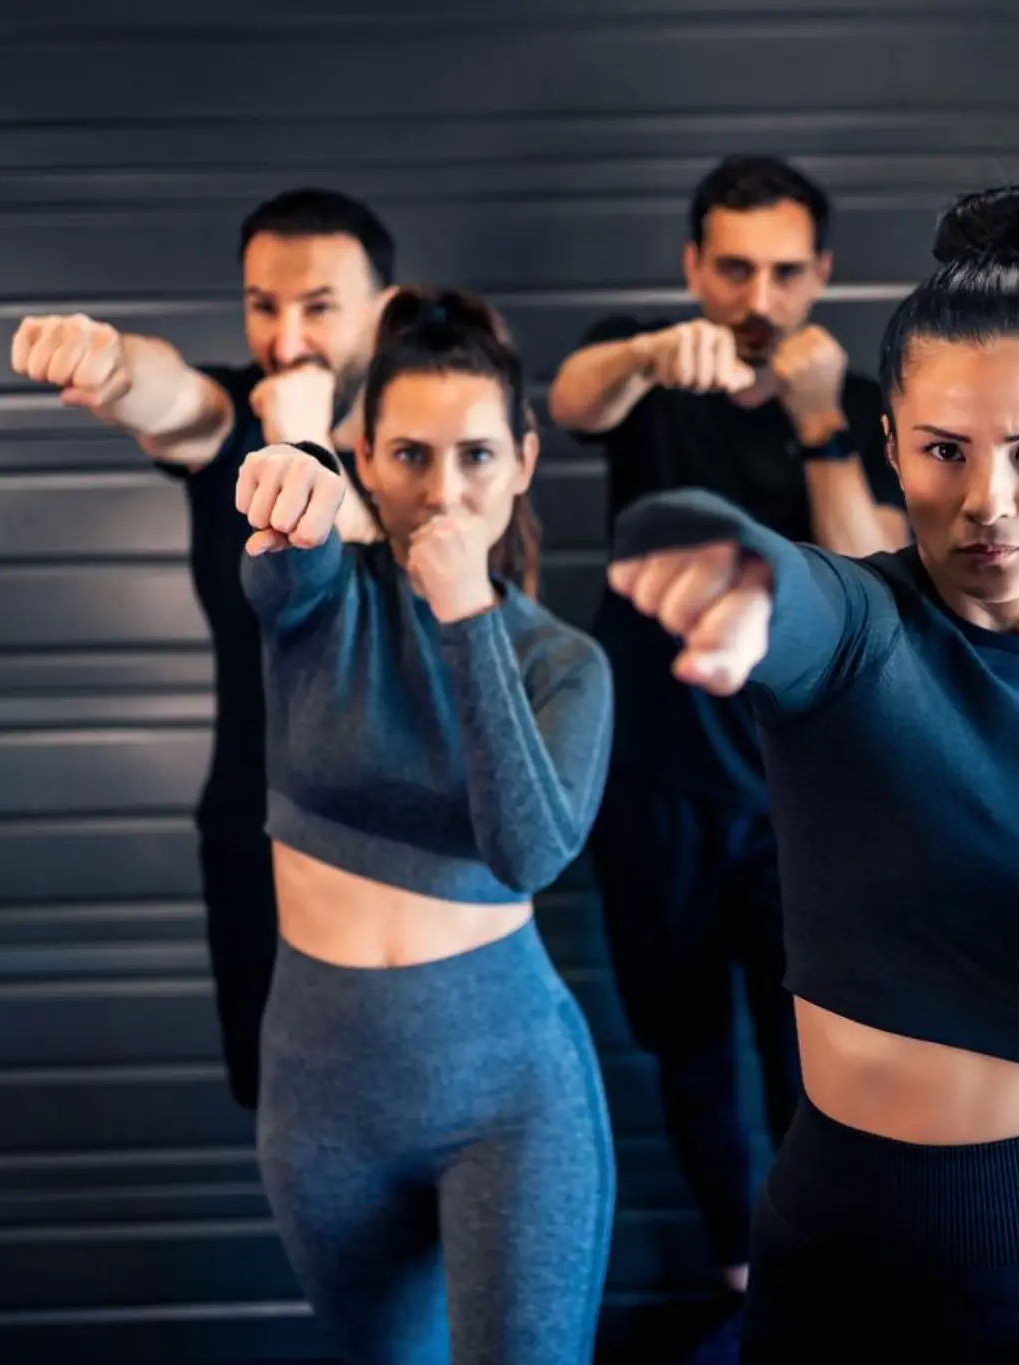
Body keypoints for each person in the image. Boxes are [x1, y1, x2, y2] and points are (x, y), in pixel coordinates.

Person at [602, 187, 1019, 1363]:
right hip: (836, 1251)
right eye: (941, 451)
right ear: (889, 445)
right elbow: (765, 569)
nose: (986, 502)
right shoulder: (858, 630)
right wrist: (719, 561)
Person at [547, 154, 909, 1297]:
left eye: (785, 273)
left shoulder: (855, 405)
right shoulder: (646, 369)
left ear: (823, 275)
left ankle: (822, 1264)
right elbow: (569, 400)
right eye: (735, 269)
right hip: (655, 791)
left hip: (808, 795)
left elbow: (871, 567)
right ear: (693, 267)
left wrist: (816, 425)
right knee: (686, 1050)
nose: (759, 300)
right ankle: (740, 1267)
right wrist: (656, 353)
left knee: (818, 1053)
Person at [232, 287, 615, 1364]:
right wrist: (294, 470)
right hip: (321, 1097)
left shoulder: (561, 666)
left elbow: (529, 851)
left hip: (511, 1098)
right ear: (363, 454)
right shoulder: (325, 608)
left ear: (524, 460)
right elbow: (279, 559)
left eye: (476, 456)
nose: (443, 490)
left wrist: (469, 619)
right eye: (408, 455)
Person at [7, 187, 395, 1110]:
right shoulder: (230, 424)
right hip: (254, 830)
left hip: (401, 837)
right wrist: (107, 362)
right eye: (264, 304)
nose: (287, 337)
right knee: (290, 1120)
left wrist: (305, 439)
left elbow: (393, 615)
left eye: (318, 306)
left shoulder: (429, 439)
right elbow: (171, 393)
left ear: (382, 310)